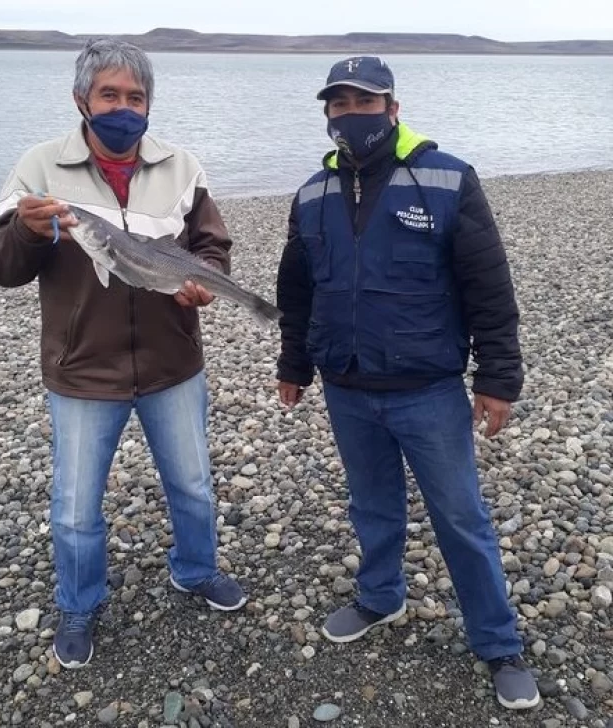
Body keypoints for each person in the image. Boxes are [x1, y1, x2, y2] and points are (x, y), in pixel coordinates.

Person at [276, 56, 539, 710]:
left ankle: (498, 641)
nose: (351, 116)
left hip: (429, 392)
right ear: (328, 115)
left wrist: (499, 377)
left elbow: (489, 287)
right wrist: (293, 365)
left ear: (392, 109)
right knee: (371, 506)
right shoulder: (312, 192)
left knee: (461, 517)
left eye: (364, 104)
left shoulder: (448, 179)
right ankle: (380, 598)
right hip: (346, 386)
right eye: (338, 105)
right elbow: (297, 290)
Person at [0, 37, 247, 670]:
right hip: (81, 370)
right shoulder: (39, 168)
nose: (124, 107)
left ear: (149, 104)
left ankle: (196, 569)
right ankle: (79, 603)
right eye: (110, 95)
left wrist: (202, 284)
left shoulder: (183, 167)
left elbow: (211, 248)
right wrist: (25, 227)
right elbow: (0, 266)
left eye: (136, 96)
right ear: (82, 100)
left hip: (172, 364)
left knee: (193, 485)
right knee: (75, 508)